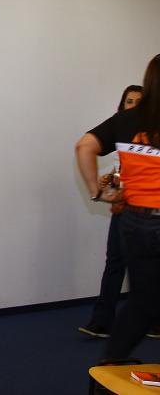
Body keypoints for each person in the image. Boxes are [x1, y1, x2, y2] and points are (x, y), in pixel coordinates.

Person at [76, 54, 160, 360]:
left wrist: (96, 193)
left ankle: (111, 362)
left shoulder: (128, 119)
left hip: (135, 220)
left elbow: (84, 146)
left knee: (142, 301)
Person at [78, 84, 144, 339]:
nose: (134, 106)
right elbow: (118, 173)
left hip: (149, 213)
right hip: (123, 211)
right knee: (114, 264)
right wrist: (107, 188)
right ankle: (102, 322)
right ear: (122, 106)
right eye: (130, 101)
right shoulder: (119, 137)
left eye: (140, 102)